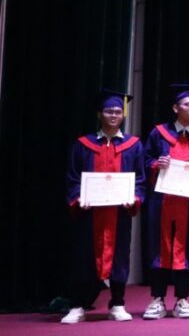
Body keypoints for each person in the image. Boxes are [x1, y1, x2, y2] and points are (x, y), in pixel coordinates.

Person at [61, 89, 146, 324]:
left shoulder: (133, 145)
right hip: (89, 213)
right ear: (100, 114)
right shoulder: (83, 144)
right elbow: (72, 178)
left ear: (123, 115)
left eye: (118, 111)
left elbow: (140, 179)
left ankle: (117, 303)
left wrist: (134, 198)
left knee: (120, 256)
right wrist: (78, 198)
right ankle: (78, 305)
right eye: (109, 111)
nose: (114, 115)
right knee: (83, 257)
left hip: (119, 212)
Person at [143, 84, 189, 320]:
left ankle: (182, 299)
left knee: (188, 249)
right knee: (160, 248)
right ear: (176, 108)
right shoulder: (159, 133)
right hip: (162, 201)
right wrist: (156, 164)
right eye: (188, 105)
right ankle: (157, 299)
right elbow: (144, 161)